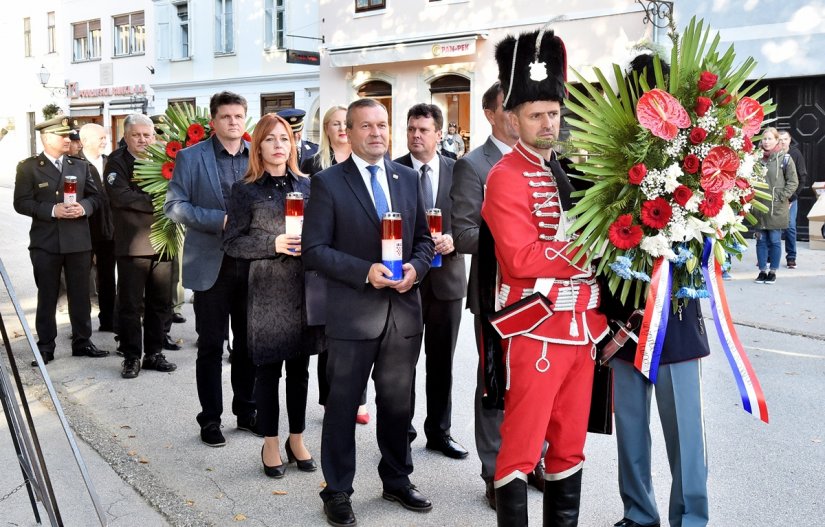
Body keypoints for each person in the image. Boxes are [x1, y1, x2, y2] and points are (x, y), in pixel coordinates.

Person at [480, 29, 608, 526]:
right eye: (536, 115)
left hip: (583, 331)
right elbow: (522, 258)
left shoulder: (574, 171)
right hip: (534, 331)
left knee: (570, 448)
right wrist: (594, 245)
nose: (548, 123)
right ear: (512, 119)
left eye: (553, 112)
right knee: (520, 451)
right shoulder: (505, 176)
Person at [302, 98, 435, 527]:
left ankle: (397, 478)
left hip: (403, 314)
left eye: (382, 125)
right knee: (342, 407)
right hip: (353, 315)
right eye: (366, 126)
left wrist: (414, 268)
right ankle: (337, 489)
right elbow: (314, 251)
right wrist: (365, 272)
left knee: (399, 404)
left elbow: (424, 242)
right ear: (349, 132)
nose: (376, 133)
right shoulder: (328, 183)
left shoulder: (408, 177)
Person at [602, 53, 712, 527]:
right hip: (625, 320)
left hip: (678, 319)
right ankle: (639, 513)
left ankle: (690, 518)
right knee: (630, 430)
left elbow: (711, 239)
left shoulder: (697, 160)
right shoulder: (610, 155)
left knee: (685, 432)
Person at [451, 81, 546, 510]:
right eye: (509, 109)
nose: (517, 116)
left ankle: (534, 460)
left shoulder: (547, 160)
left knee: (537, 379)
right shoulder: (473, 165)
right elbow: (465, 233)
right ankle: (496, 471)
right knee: (495, 382)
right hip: (494, 291)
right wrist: (515, 238)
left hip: (544, 291)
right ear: (491, 114)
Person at [223, 113, 323, 478]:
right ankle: (269, 441)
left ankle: (296, 438)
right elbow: (232, 242)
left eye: (284, 138)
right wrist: (273, 242)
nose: (279, 145)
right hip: (266, 288)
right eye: (270, 139)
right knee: (267, 371)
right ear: (258, 146)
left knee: (300, 370)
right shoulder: (244, 190)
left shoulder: (310, 185)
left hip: (303, 286)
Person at [164, 91, 258, 447]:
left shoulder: (257, 156)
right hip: (210, 265)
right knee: (211, 347)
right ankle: (211, 420)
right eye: (226, 117)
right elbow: (175, 206)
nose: (233, 122)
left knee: (249, 345)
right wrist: (220, 220)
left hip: (250, 264)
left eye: (239, 116)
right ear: (214, 121)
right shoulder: (191, 157)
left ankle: (246, 412)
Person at [394, 103, 468, 458]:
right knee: (402, 362)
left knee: (442, 364)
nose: (416, 136)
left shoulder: (459, 171)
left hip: (448, 281)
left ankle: (439, 432)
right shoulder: (394, 171)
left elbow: (474, 218)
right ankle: (400, 432)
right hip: (407, 280)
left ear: (440, 134)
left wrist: (454, 237)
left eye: (423, 130)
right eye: (411, 129)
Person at [13, 116, 108, 365]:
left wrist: (84, 207)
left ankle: (82, 341)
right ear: (46, 138)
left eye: (70, 135)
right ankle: (46, 346)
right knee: (47, 295)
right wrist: (52, 210)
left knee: (81, 295)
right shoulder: (29, 167)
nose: (69, 139)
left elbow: (96, 198)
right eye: (62, 135)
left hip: (78, 242)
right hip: (46, 243)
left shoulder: (80, 165)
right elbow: (21, 202)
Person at [299, 105, 371, 424]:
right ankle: (329, 398)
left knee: (362, 332)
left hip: (362, 256)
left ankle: (359, 400)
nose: (342, 128)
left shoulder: (367, 161)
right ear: (326, 128)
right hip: (326, 259)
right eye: (335, 124)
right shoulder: (312, 163)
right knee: (329, 334)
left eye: (346, 123)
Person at [105, 114, 177, 379]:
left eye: (147, 135)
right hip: (133, 244)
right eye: (137, 135)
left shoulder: (163, 161)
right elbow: (121, 195)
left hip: (163, 241)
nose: (143, 140)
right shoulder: (117, 162)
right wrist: (157, 203)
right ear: (126, 137)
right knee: (131, 304)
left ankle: (154, 353)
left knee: (160, 302)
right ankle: (132, 355)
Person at [78, 123, 116, 332]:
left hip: (109, 230)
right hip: (84, 230)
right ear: (85, 141)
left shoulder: (111, 162)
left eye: (105, 137)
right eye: (100, 138)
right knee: (82, 279)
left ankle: (108, 319)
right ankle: (81, 327)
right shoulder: (74, 164)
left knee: (108, 277)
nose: (105, 141)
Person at [754, 127, 798, 284]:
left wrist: (781, 196)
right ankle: (762, 271)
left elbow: (793, 182)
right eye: (764, 139)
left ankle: (772, 271)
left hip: (776, 207)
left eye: (770, 139)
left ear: (776, 140)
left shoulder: (785, 159)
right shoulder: (755, 158)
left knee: (774, 240)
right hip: (759, 207)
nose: (766, 142)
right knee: (760, 241)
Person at [778, 130, 808, 269]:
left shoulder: (795, 154)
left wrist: (792, 197)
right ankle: (769, 256)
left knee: (790, 227)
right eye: (780, 139)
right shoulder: (773, 154)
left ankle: (791, 257)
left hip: (791, 198)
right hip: (775, 197)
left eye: (785, 139)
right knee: (772, 227)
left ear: (790, 140)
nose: (782, 141)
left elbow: (802, 177)